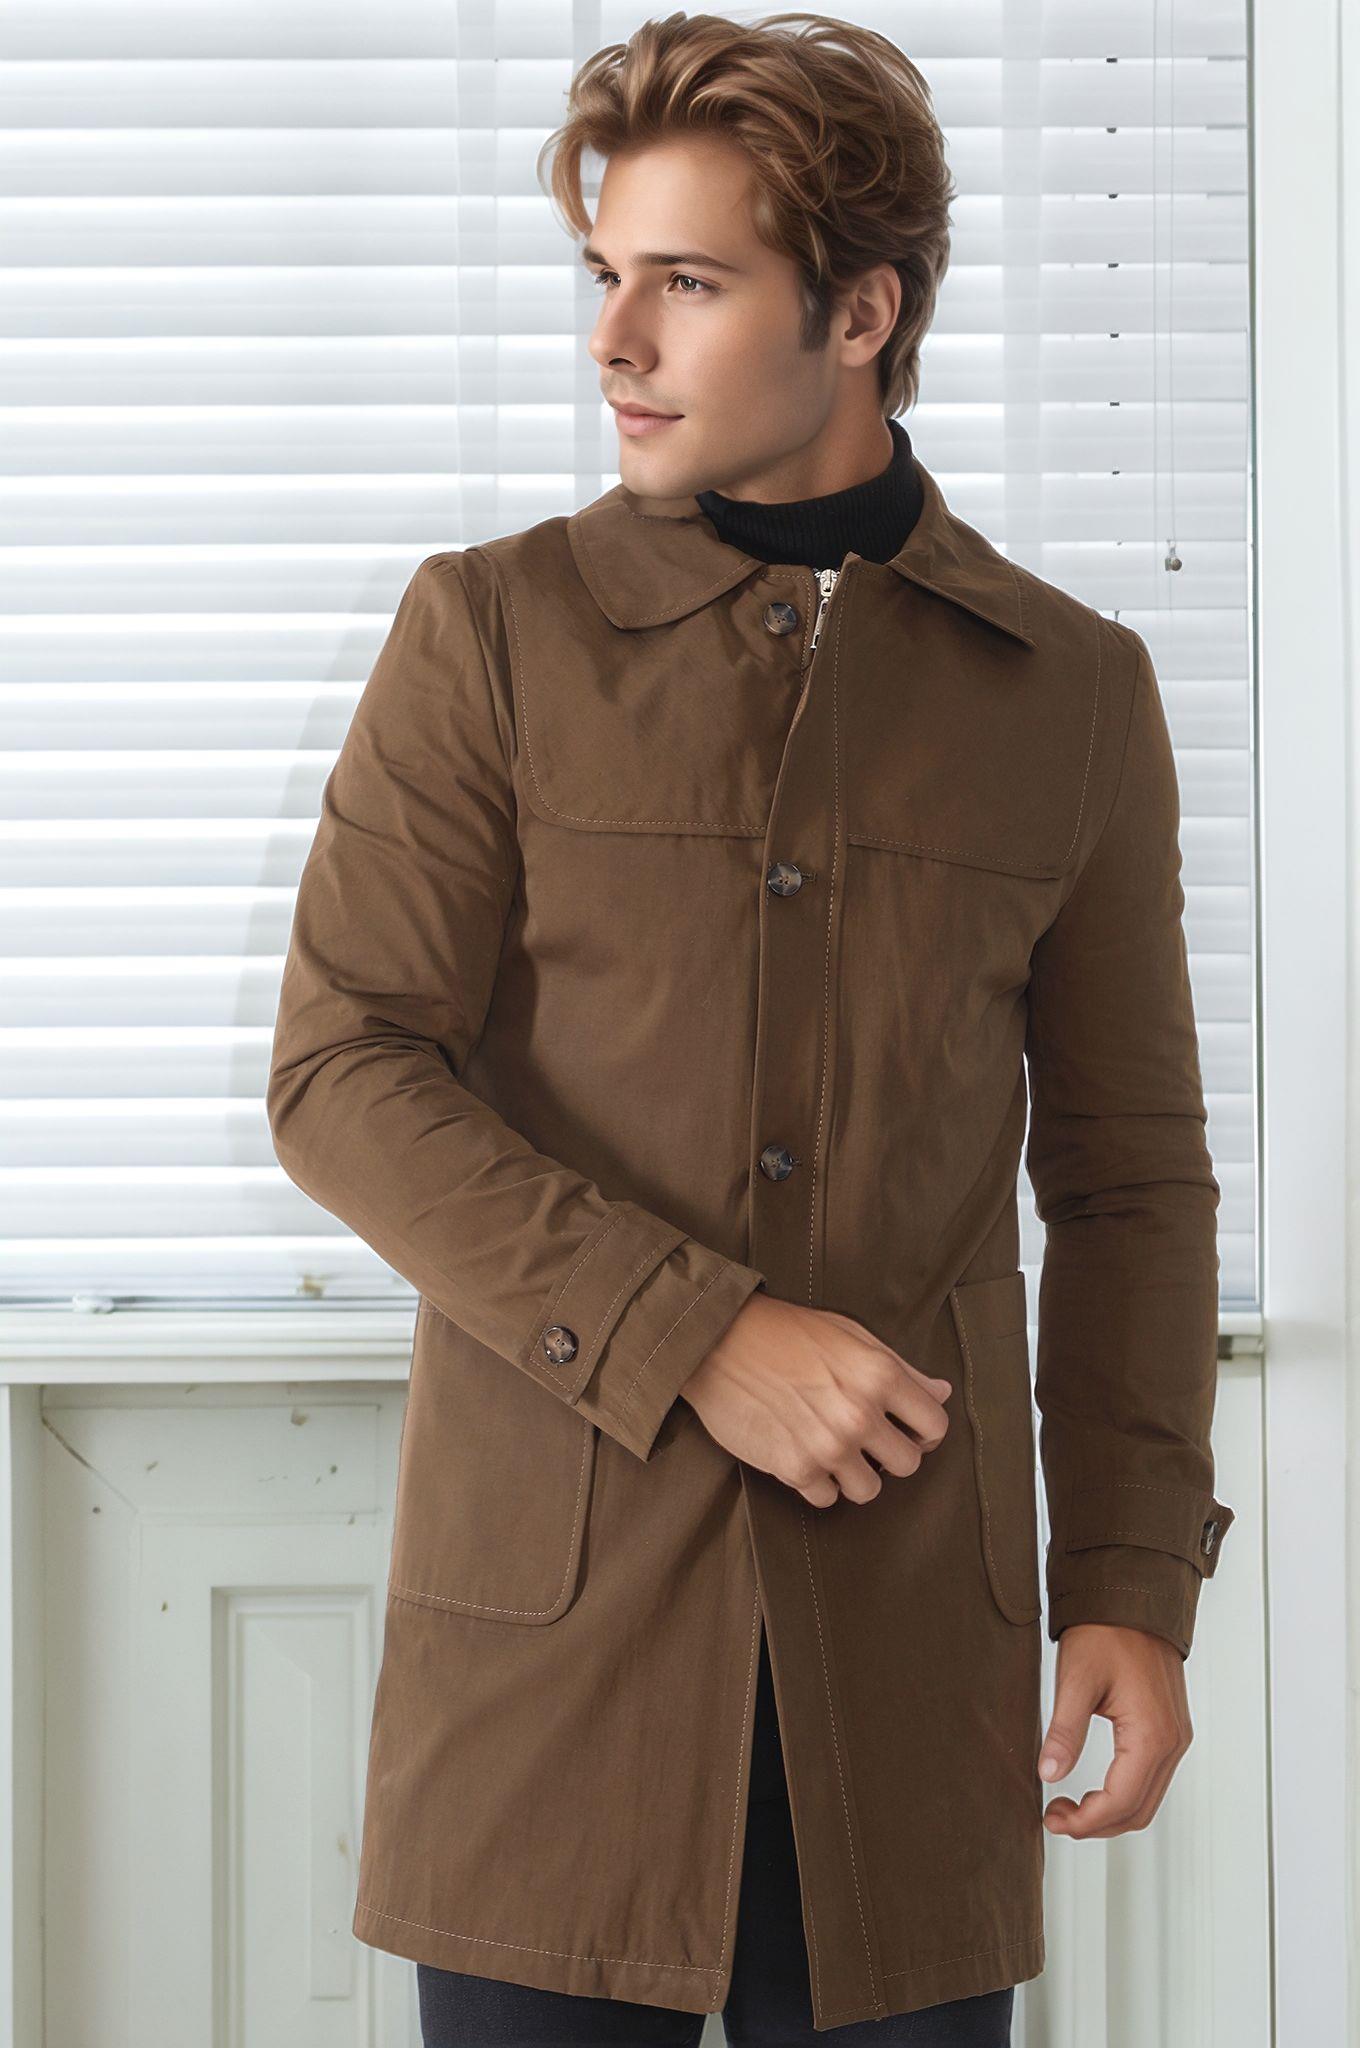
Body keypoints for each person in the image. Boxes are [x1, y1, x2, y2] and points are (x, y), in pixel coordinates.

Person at [266, 13, 1236, 2046]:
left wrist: (1131, 1582)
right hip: (551, 1672)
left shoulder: (1069, 695)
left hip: (911, 1670)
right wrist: (692, 1331)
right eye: (601, 273)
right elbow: (344, 1074)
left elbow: (1129, 1183)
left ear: (859, 313)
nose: (612, 340)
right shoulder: (489, 634)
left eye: (686, 283)